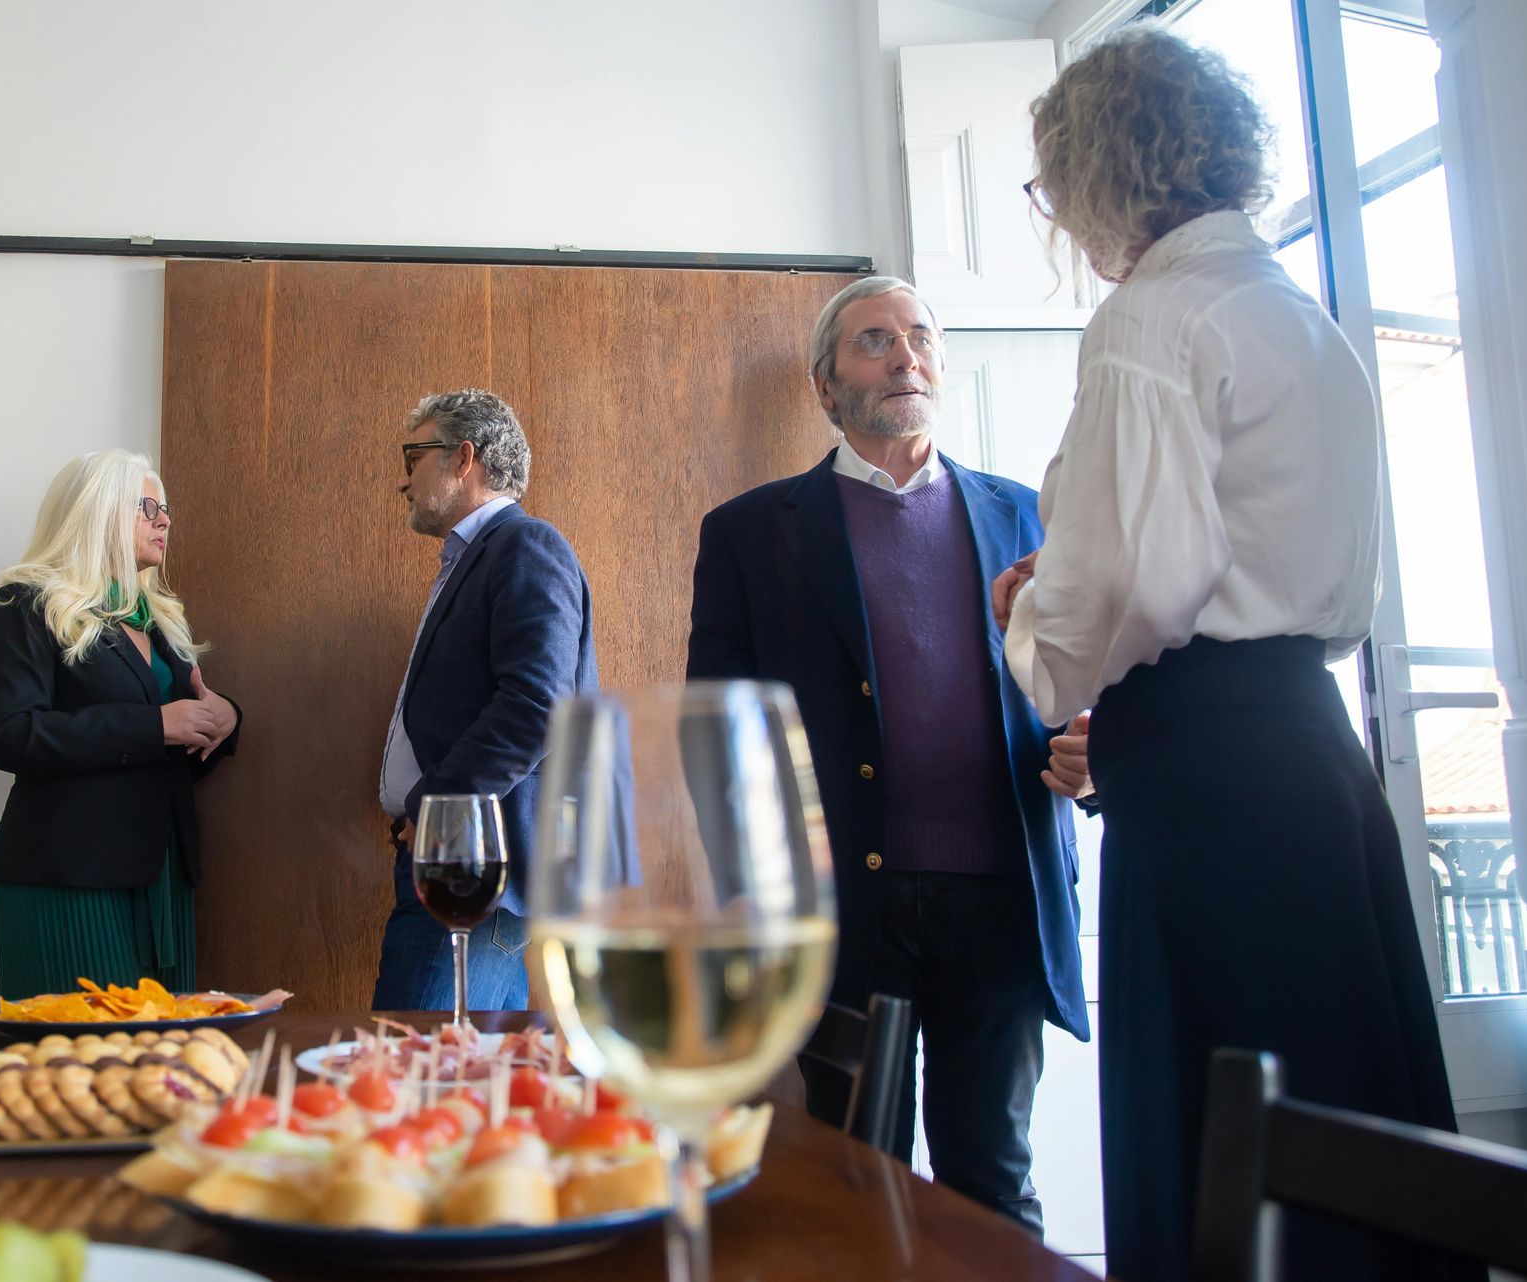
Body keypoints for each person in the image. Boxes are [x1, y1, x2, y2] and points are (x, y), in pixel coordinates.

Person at [1002, 27, 1465, 1281]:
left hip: (1210, 797)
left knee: (1225, 1149)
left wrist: (1033, 626)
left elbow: (1131, 587)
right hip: (1312, 758)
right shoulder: (1299, 317)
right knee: (1347, 1127)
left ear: (1095, 176)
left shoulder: (1150, 320)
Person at [686, 275, 1090, 1233]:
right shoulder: (750, 532)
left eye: (919, 337)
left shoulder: (1029, 515)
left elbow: (1084, 690)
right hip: (837, 910)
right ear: (826, 387)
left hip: (1002, 897)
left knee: (991, 1186)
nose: (905, 354)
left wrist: (1091, 753)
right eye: (874, 341)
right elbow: (718, 732)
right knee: (855, 1181)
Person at [0, 449, 240, 998]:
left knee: (161, 1068)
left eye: (165, 509)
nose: (164, 520)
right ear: (98, 511)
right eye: (147, 507)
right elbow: (5, 733)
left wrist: (227, 717)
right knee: (78, 1066)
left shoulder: (158, 618)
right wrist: (153, 727)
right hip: (69, 874)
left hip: (162, 874)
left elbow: (177, 717)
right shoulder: (24, 603)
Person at [371, 389, 596, 1012]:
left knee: (423, 1070)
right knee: (449, 1070)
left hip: (476, 872)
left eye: (413, 454)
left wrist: (437, 811)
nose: (403, 479)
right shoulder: (480, 556)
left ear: (463, 457)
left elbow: (538, 706)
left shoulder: (526, 546)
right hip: (456, 863)